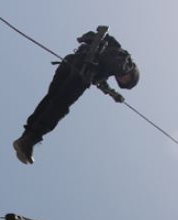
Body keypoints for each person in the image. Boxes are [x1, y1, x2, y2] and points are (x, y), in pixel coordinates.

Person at [13, 26, 140, 164]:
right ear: (132, 73)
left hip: (71, 63)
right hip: (83, 72)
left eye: (123, 82)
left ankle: (25, 138)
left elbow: (101, 81)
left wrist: (113, 93)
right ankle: (30, 140)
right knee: (60, 106)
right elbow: (111, 67)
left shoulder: (109, 54)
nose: (122, 79)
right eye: (127, 79)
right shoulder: (124, 63)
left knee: (52, 99)